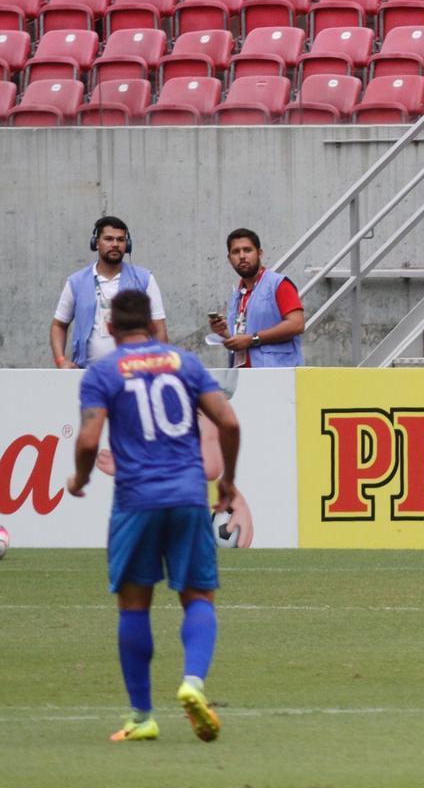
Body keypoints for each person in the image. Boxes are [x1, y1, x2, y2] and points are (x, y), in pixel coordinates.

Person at [66, 290, 241, 742]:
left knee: (134, 605)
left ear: (109, 328)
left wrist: (80, 478)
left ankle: (142, 716)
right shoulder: (185, 363)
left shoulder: (103, 372)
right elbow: (230, 423)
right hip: (186, 497)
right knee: (199, 598)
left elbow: (88, 441)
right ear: (152, 324)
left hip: (136, 500)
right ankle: (193, 682)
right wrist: (227, 482)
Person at [51, 216, 168, 368]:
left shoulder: (144, 279)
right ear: (96, 243)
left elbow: (159, 329)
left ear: (127, 245)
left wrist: (158, 366)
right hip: (88, 374)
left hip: (135, 373)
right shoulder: (76, 282)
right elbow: (58, 325)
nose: (115, 244)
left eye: (120, 240)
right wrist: (61, 360)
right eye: (108, 239)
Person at [208, 228, 304, 368]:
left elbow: (297, 324)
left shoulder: (278, 284)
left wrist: (253, 339)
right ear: (229, 259)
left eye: (247, 250)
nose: (242, 256)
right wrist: (224, 333)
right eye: (236, 252)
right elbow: (242, 336)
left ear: (259, 253)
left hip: (279, 377)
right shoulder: (238, 295)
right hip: (244, 378)